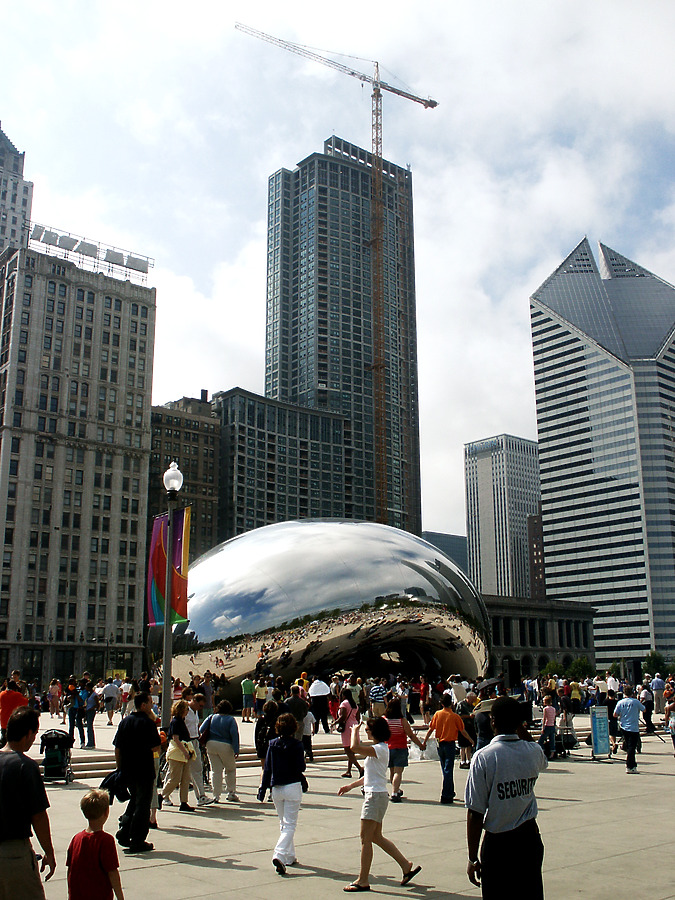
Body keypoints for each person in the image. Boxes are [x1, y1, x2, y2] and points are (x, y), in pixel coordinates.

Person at [465, 696, 548, 899]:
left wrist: (472, 857)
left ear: (493, 721)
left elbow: (475, 813)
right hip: (529, 839)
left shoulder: (484, 757)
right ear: (519, 722)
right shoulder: (533, 752)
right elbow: (541, 756)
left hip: (499, 845)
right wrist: (519, 726)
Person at [338, 718, 421, 892]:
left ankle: (363, 880)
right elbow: (369, 775)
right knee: (376, 837)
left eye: (367, 729)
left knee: (365, 839)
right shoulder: (379, 749)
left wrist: (353, 730)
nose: (365, 731)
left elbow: (354, 748)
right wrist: (350, 786)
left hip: (374, 797)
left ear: (375, 731)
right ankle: (406, 866)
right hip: (377, 794)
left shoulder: (379, 749)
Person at [0, 706, 56, 899]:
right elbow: (38, 815)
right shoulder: (26, 766)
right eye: (35, 734)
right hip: (13, 854)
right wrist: (48, 851)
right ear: (29, 733)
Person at [258, 712, 306, 875]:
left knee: (283, 823)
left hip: (276, 788)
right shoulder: (297, 745)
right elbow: (301, 767)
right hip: (292, 786)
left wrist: (262, 788)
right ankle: (279, 853)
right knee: (290, 824)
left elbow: (267, 769)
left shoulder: (272, 744)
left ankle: (289, 856)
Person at [113, 691, 161, 853]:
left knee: (134, 800)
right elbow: (155, 747)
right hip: (144, 769)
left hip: (127, 769)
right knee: (142, 804)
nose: (152, 705)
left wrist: (120, 768)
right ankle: (138, 839)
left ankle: (125, 830)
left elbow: (117, 748)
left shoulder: (125, 722)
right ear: (143, 705)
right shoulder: (147, 723)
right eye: (150, 702)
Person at [66, 789, 124, 900]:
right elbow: (112, 872)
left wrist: (70, 893)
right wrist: (120, 897)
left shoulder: (76, 839)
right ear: (106, 812)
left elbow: (70, 869)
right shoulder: (106, 841)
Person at [422, 693, 474, 803]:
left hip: (440, 745)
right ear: (451, 703)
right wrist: (471, 740)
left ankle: (450, 792)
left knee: (445, 769)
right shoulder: (455, 716)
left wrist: (425, 742)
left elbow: (431, 729)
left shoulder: (437, 714)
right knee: (448, 770)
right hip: (450, 745)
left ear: (441, 703)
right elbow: (462, 731)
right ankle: (446, 794)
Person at [384, 698, 424, 802]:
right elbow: (411, 735)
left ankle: (395, 788)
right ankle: (394, 793)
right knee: (398, 772)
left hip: (388, 748)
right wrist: (420, 745)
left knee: (392, 771)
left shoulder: (384, 720)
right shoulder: (402, 721)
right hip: (400, 748)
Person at [200, 699, 240, 802]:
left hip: (211, 744)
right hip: (226, 745)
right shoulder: (231, 720)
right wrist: (236, 749)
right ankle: (231, 792)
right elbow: (234, 734)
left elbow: (201, 730)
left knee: (215, 771)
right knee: (230, 769)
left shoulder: (211, 717)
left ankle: (216, 795)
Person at [161, 700, 195, 811]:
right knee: (175, 778)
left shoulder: (181, 721)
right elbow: (175, 738)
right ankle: (161, 796)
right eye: (186, 709)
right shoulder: (175, 721)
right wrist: (185, 752)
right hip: (177, 753)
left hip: (184, 752)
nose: (187, 712)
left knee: (185, 779)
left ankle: (184, 802)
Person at [184, 693, 215, 806]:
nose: (201, 708)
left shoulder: (195, 711)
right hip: (186, 742)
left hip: (195, 741)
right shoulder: (185, 710)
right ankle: (164, 796)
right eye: (200, 705)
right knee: (175, 772)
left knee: (197, 769)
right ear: (194, 701)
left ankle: (201, 796)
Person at [614, 685, 645, 773]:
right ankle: (630, 765)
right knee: (632, 747)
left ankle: (632, 764)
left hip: (624, 726)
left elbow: (615, 714)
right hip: (633, 727)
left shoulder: (620, 702)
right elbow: (644, 709)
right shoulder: (636, 702)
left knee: (629, 745)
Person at [337, 688, 363, 779]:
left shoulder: (344, 704)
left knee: (347, 750)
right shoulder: (354, 704)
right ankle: (348, 771)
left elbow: (343, 716)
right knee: (351, 750)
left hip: (347, 727)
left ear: (344, 695)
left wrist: (334, 723)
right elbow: (358, 716)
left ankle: (360, 768)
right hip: (354, 726)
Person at [0, 679, 28, 748]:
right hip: (14, 720)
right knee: (13, 741)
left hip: (3, 720)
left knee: (3, 738)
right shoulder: (17, 695)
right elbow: (26, 702)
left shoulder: (2, 694)